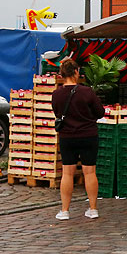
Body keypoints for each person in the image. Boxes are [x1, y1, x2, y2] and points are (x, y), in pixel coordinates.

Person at [52, 57, 105, 221]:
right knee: (90, 172)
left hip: (67, 137)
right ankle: (93, 208)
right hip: (88, 135)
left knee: (67, 173)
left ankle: (65, 210)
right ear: (76, 72)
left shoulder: (57, 94)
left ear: (62, 74)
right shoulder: (87, 92)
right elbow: (100, 112)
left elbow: (57, 113)